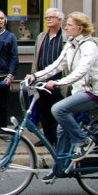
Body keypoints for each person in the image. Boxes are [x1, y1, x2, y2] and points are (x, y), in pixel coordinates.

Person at [26, 12, 98, 182]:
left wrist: (59, 83)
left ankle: (82, 141)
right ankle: (60, 168)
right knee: (61, 129)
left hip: (94, 93)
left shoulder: (89, 46)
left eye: (70, 24)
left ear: (80, 27)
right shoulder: (70, 44)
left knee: (58, 109)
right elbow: (56, 65)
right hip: (78, 92)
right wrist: (36, 76)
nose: (66, 27)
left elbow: (82, 70)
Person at [29, 8, 66, 147]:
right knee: (43, 110)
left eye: (51, 17)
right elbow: (36, 57)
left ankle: (58, 138)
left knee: (57, 109)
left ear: (60, 20)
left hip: (59, 80)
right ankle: (47, 138)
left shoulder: (65, 37)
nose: (48, 20)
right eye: (46, 18)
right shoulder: (41, 36)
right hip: (42, 80)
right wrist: (34, 74)